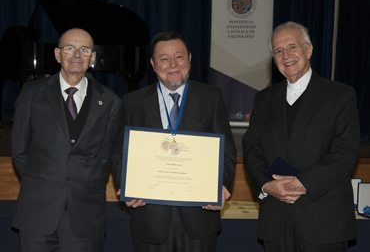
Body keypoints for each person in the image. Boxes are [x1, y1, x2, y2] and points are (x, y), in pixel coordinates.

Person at [111, 30, 236, 251]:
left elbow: (225, 150)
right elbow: (120, 150)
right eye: (164, 59)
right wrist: (126, 184)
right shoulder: (133, 102)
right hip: (149, 218)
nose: (173, 64)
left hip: (200, 216)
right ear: (152, 63)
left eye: (179, 57)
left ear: (189, 59)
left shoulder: (211, 98)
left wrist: (221, 185)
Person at [242, 21, 360, 252]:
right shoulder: (263, 99)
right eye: (278, 51)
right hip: (276, 220)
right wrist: (267, 185)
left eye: (292, 47)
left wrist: (303, 183)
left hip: (324, 220)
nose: (286, 55)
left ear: (308, 50)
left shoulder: (340, 95)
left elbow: (346, 150)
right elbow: (252, 149)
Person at [11, 28, 122, 251]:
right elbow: (19, 153)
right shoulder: (32, 93)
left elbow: (104, 159)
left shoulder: (110, 101)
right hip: (37, 213)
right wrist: (46, 182)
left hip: (85, 216)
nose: (76, 54)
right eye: (69, 48)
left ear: (93, 58)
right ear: (57, 54)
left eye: (84, 49)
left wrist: (80, 182)